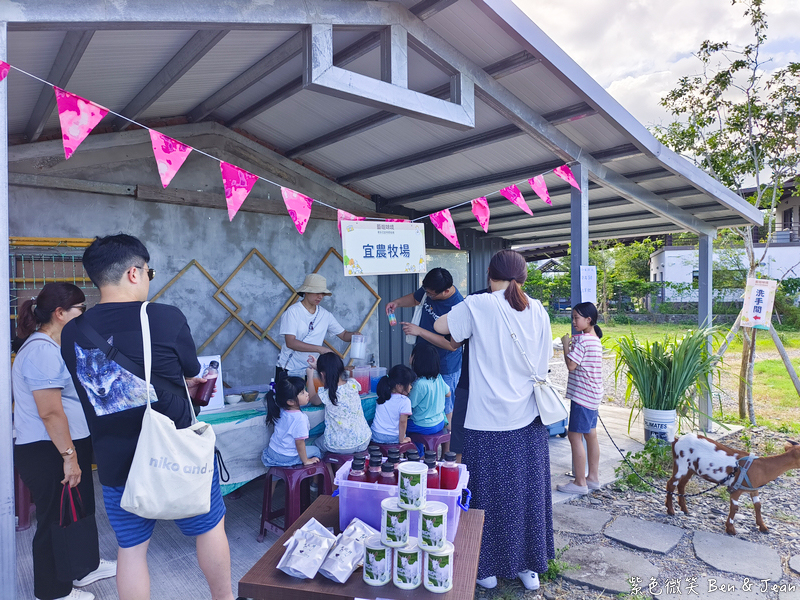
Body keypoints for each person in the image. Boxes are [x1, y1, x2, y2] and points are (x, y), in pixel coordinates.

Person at [60, 234, 235, 600]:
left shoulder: (72, 332)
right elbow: (189, 368)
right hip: (176, 452)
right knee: (209, 529)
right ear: (134, 272)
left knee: (132, 549)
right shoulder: (164, 317)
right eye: (149, 271)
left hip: (114, 461)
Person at [434, 250, 553, 592]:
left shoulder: (479, 304)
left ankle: (484, 566)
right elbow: (544, 361)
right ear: (523, 276)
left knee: (485, 493)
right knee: (526, 493)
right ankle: (528, 566)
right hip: (530, 418)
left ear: (491, 275)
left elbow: (443, 327)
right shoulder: (538, 308)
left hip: (487, 420)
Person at [13, 283, 116, 600]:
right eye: (80, 309)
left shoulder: (57, 346)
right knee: (53, 521)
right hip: (50, 450)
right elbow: (51, 413)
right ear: (60, 313)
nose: (84, 315)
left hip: (69, 444)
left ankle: (83, 568)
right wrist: (69, 456)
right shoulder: (40, 351)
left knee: (78, 511)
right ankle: (53, 592)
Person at [389, 267, 463, 432]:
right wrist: (397, 303)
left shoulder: (459, 308)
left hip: (445, 365)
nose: (427, 296)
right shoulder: (429, 290)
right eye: (426, 291)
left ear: (445, 291)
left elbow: (452, 345)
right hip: (423, 361)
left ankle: (447, 453)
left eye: (430, 294)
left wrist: (419, 330)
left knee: (446, 411)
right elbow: (416, 299)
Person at [557, 302, 604, 495]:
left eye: (577, 318)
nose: (574, 321)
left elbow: (571, 366)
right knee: (590, 435)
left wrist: (566, 345)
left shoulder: (584, 341)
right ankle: (592, 478)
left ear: (588, 320)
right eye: (573, 317)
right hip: (593, 395)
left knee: (574, 436)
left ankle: (579, 482)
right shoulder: (595, 340)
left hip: (582, 396)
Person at [276, 273, 357, 380]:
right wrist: (320, 349)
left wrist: (354, 335)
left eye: (323, 293)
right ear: (306, 291)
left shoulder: (325, 315)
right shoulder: (293, 312)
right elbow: (290, 342)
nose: (320, 296)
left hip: (312, 370)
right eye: (317, 292)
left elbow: (344, 335)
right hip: (289, 369)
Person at [309, 352, 372, 454]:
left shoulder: (326, 393)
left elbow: (312, 398)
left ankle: (329, 468)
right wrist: (319, 368)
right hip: (364, 439)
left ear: (322, 374)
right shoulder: (353, 383)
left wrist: (310, 375)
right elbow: (331, 373)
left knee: (315, 444)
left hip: (340, 445)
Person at [261, 376, 321, 467]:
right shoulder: (300, 418)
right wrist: (306, 461)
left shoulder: (281, 410)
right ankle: (313, 479)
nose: (307, 394)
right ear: (290, 402)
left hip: (272, 451)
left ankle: (272, 481)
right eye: (302, 393)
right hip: (287, 456)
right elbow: (299, 443)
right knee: (316, 451)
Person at [407, 344, 449, 455]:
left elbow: (409, 405)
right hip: (439, 422)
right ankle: (420, 451)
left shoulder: (419, 384)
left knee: (402, 426)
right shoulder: (438, 378)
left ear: (417, 360)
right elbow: (448, 393)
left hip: (424, 426)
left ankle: (417, 454)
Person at [371, 364, 416, 445]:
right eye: (409, 384)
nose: (411, 387)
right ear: (399, 386)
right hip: (391, 437)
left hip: (375, 434)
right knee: (407, 437)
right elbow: (403, 422)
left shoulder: (383, 395)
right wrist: (402, 440)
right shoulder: (405, 401)